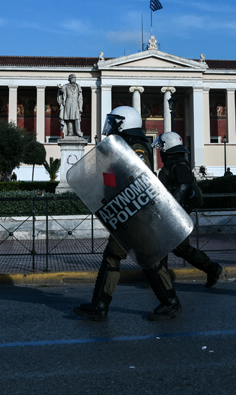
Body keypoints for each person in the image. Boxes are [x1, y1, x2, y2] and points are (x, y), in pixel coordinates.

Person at [73, 106, 182, 321]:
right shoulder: (124, 145)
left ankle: (168, 302)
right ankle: (101, 304)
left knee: (139, 258)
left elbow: (135, 178)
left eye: (114, 122)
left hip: (136, 213)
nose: (111, 126)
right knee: (124, 257)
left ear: (125, 123)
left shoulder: (137, 147)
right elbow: (115, 177)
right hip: (128, 211)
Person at [154, 131, 223, 288]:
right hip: (174, 213)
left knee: (176, 247)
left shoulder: (178, 165)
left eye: (161, 148)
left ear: (168, 147)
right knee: (166, 246)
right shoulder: (174, 163)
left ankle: (211, 268)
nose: (160, 152)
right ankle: (158, 275)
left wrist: (170, 209)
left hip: (175, 214)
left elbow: (184, 186)